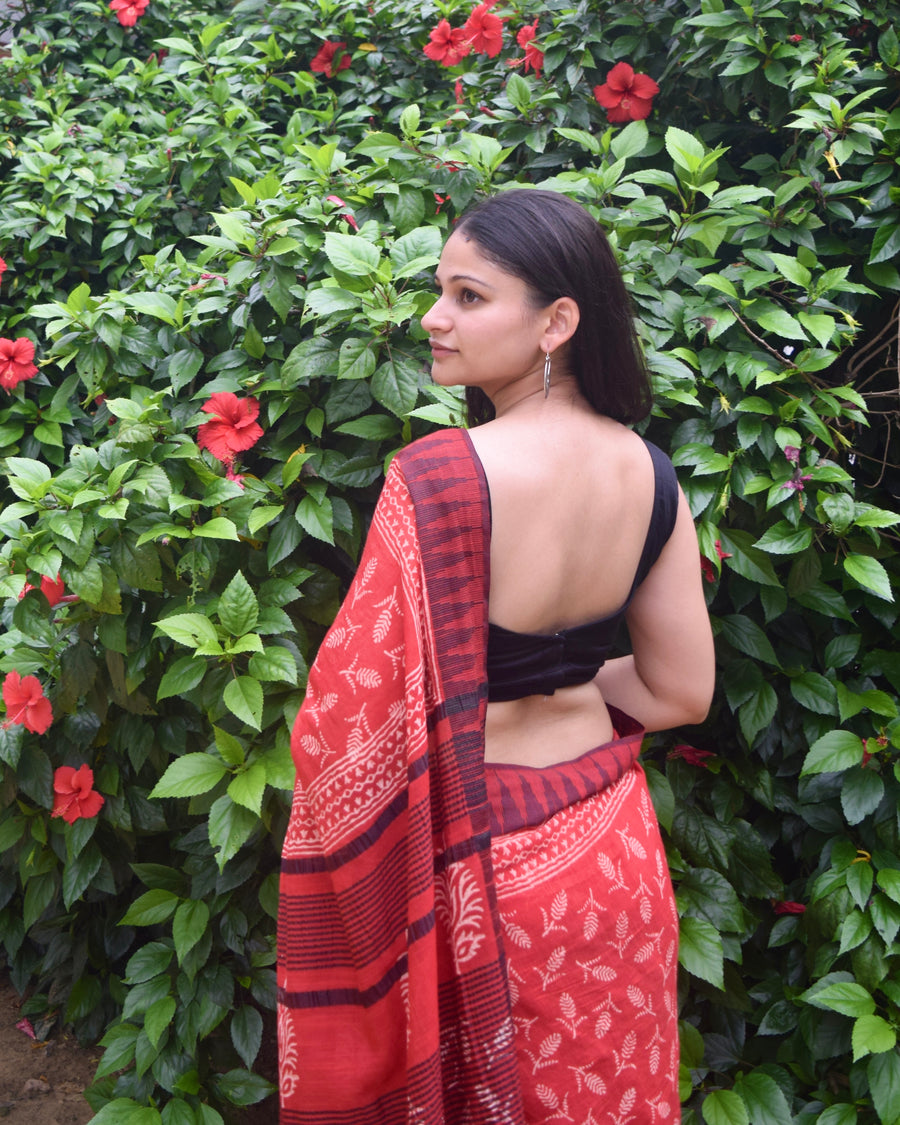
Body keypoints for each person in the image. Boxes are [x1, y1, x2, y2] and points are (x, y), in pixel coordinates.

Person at [277, 188, 715, 1124]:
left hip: (485, 870)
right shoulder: (652, 475)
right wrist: (563, 676)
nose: (433, 318)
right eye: (440, 291)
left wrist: (475, 688)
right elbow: (681, 689)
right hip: (614, 858)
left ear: (557, 322)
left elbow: (346, 722)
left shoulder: (439, 476)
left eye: (469, 296)